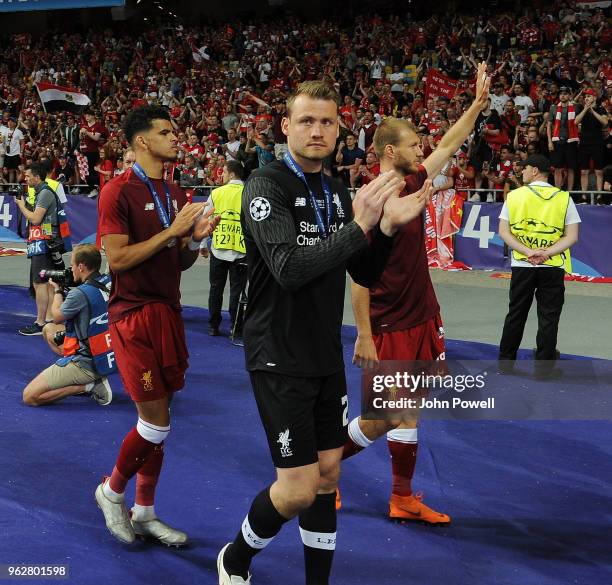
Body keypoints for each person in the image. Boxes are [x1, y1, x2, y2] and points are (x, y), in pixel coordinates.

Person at [217, 80, 432, 585]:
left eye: (327, 122)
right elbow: (289, 269)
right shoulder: (266, 186)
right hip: (277, 353)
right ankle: (235, 559)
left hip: (323, 352)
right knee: (295, 490)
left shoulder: (335, 191)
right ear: (286, 127)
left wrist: (384, 230)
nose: (317, 131)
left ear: (339, 130)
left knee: (329, 476)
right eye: (307, 121)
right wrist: (360, 227)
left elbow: (364, 272)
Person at [340, 62, 491, 526]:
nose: (422, 150)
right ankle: (321, 463)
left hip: (421, 314)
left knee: (408, 414)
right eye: (413, 146)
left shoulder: (409, 180)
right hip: (387, 323)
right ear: (390, 151)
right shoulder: (370, 200)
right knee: (384, 417)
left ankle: (402, 498)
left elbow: (449, 143)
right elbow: (358, 276)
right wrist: (364, 334)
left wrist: (476, 105)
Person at [95, 105, 219, 547]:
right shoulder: (117, 191)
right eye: (166, 132)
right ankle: (111, 492)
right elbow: (119, 259)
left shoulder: (173, 191)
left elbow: (179, 260)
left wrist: (193, 240)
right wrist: (172, 233)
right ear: (142, 141)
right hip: (133, 316)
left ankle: (144, 511)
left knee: (159, 419)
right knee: (156, 421)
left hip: (167, 311)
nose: (175, 138)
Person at [498, 154, 580, 365]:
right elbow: (572, 236)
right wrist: (546, 253)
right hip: (552, 266)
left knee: (516, 312)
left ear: (534, 170)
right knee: (549, 316)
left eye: (524, 168)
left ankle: (506, 361)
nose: (521, 172)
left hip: (522, 264)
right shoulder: (564, 198)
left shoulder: (514, 196)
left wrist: (527, 252)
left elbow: (504, 233)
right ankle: (545, 365)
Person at [22, 244, 115, 407]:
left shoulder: (79, 294)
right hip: (109, 350)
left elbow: (57, 317)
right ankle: (83, 376)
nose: (70, 269)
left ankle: (89, 385)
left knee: (30, 396)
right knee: (48, 330)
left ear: (81, 266)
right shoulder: (108, 281)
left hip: (88, 361)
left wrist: (58, 290)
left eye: (72, 265)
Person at [16, 162, 72, 336]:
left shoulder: (45, 192)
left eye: (27, 176)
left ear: (37, 177)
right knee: (46, 282)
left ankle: (40, 323)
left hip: (44, 242)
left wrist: (20, 204)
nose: (25, 179)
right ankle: (47, 318)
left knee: (39, 283)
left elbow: (35, 219)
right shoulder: (42, 191)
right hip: (45, 242)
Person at [203, 160, 248, 336]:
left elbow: (205, 219)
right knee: (237, 291)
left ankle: (213, 326)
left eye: (223, 172)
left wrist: (201, 244)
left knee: (216, 288)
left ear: (231, 174)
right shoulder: (249, 192)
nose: (220, 175)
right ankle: (236, 328)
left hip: (218, 248)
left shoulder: (216, 193)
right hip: (241, 250)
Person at [547, 86, 579, 190]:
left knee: (570, 169)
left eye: (565, 93)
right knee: (557, 169)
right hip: (557, 141)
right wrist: (550, 142)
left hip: (571, 141)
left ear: (569, 95)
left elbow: (580, 122)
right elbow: (549, 125)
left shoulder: (576, 107)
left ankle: (570, 192)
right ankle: (557, 191)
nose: (563, 95)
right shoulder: (553, 107)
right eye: (561, 94)